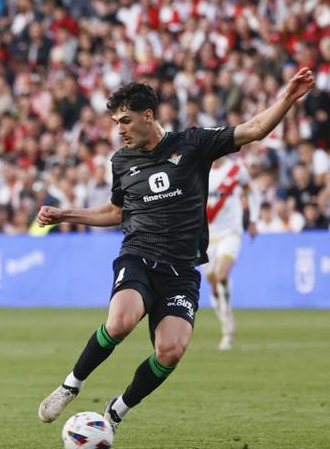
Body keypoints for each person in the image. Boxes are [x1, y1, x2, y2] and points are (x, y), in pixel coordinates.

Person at [36, 68, 315, 432]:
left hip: (182, 270)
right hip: (139, 255)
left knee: (170, 351)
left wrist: (288, 97)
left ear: (148, 116)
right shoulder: (121, 160)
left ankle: (118, 410)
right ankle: (71, 384)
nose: (119, 129)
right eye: (115, 121)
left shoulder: (194, 145)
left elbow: (254, 129)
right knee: (120, 322)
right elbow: (117, 211)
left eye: (125, 120)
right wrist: (66, 214)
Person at [203, 155, 256, 350]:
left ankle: (227, 331)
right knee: (213, 284)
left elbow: (252, 192)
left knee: (221, 275)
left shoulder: (236, 170)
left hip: (230, 232)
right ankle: (227, 321)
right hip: (206, 236)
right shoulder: (200, 168)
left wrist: (253, 219)